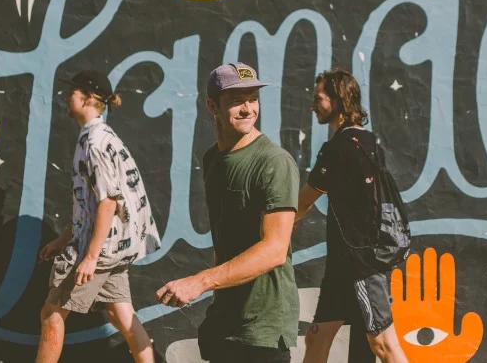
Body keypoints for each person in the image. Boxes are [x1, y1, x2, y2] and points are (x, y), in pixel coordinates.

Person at [155, 62, 299, 363]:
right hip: (224, 323)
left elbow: (275, 249)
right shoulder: (213, 160)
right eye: (236, 100)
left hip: (261, 328)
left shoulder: (274, 162)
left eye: (253, 99)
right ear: (212, 106)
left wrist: (200, 282)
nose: (248, 108)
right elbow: (225, 240)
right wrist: (217, 299)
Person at [37, 70, 161, 363]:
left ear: (88, 98)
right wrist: (64, 238)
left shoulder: (94, 143)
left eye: (72, 91)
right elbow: (92, 204)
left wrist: (90, 257)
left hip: (101, 250)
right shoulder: (102, 137)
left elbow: (107, 202)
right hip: (114, 247)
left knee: (52, 314)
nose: (67, 97)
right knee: (123, 317)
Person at [296, 67, 408, 363]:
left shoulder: (341, 147)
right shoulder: (368, 141)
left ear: (338, 100)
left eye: (318, 99)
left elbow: (304, 202)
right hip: (343, 266)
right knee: (317, 337)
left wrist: (270, 233)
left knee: (384, 344)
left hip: (361, 265)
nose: (312, 106)